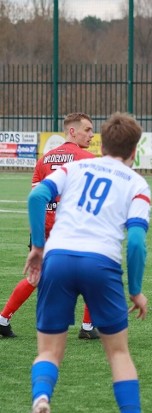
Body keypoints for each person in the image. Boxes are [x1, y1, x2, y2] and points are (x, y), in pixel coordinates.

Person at [22, 112, 150, 413]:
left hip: (59, 257)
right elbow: (135, 243)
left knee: (49, 351)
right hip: (101, 263)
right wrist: (135, 289)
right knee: (118, 354)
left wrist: (38, 247)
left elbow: (37, 195)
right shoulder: (137, 183)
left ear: (100, 143)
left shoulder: (74, 167)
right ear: (134, 151)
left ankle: (41, 398)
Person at [0, 112, 99, 340]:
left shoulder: (44, 159)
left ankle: (3, 319)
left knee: (36, 277)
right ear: (72, 131)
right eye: (87, 130)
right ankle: (86, 327)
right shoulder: (87, 159)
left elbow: (36, 197)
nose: (92, 135)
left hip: (44, 228)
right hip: (71, 228)